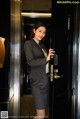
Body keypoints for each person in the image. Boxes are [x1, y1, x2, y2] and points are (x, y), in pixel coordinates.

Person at [24, 22, 55, 119]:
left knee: (41, 114)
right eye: (40, 31)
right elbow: (31, 62)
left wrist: (48, 55)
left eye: (44, 32)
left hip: (45, 81)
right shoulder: (28, 43)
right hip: (37, 83)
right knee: (41, 115)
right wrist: (46, 59)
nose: (42, 34)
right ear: (34, 30)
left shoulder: (42, 45)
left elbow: (45, 62)